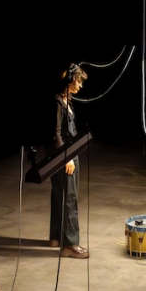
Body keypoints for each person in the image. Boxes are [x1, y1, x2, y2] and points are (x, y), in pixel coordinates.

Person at [48, 63, 90, 259]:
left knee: (59, 194)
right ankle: (70, 244)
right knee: (69, 197)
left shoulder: (66, 101)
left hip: (65, 153)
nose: (80, 86)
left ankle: (56, 237)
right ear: (71, 80)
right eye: (79, 82)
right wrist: (68, 158)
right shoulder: (58, 103)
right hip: (65, 155)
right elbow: (56, 135)